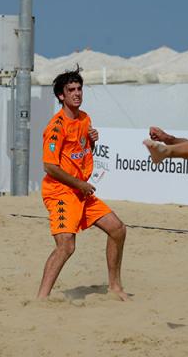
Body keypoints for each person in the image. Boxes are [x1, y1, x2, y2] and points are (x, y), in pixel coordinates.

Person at [37, 66, 128, 301]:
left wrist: (92, 141)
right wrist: (79, 183)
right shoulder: (55, 127)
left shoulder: (85, 118)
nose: (77, 93)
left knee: (118, 229)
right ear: (61, 96)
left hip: (80, 191)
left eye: (79, 89)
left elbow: (82, 152)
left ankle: (115, 287)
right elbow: (49, 167)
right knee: (66, 246)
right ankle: (41, 299)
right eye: (71, 90)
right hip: (60, 192)